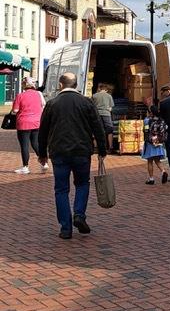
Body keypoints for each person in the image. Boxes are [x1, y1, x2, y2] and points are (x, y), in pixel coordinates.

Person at [38, 73, 107, 240]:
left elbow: (43, 130)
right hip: (82, 151)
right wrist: (102, 150)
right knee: (82, 183)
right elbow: (98, 127)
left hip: (59, 152)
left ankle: (65, 228)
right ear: (75, 85)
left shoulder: (52, 104)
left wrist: (42, 153)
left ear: (61, 85)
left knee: (61, 189)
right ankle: (79, 214)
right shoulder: (86, 102)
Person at [11, 76, 47, 174]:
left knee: (24, 145)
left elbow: (15, 110)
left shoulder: (20, 96)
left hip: (23, 123)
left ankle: (25, 167)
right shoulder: (39, 94)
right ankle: (44, 163)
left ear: (24, 85)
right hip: (37, 122)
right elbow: (43, 105)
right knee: (35, 143)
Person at [142, 105, 168, 185]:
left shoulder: (147, 120)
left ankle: (151, 178)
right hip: (158, 142)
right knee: (157, 160)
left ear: (151, 113)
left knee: (150, 161)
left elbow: (145, 131)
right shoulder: (162, 120)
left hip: (150, 143)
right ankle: (163, 171)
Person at [92, 82, 115, 152]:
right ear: (106, 90)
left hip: (97, 114)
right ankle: (110, 147)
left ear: (100, 88)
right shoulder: (109, 96)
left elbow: (91, 106)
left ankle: (95, 147)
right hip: (106, 114)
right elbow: (111, 108)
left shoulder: (94, 96)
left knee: (96, 130)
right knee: (109, 131)